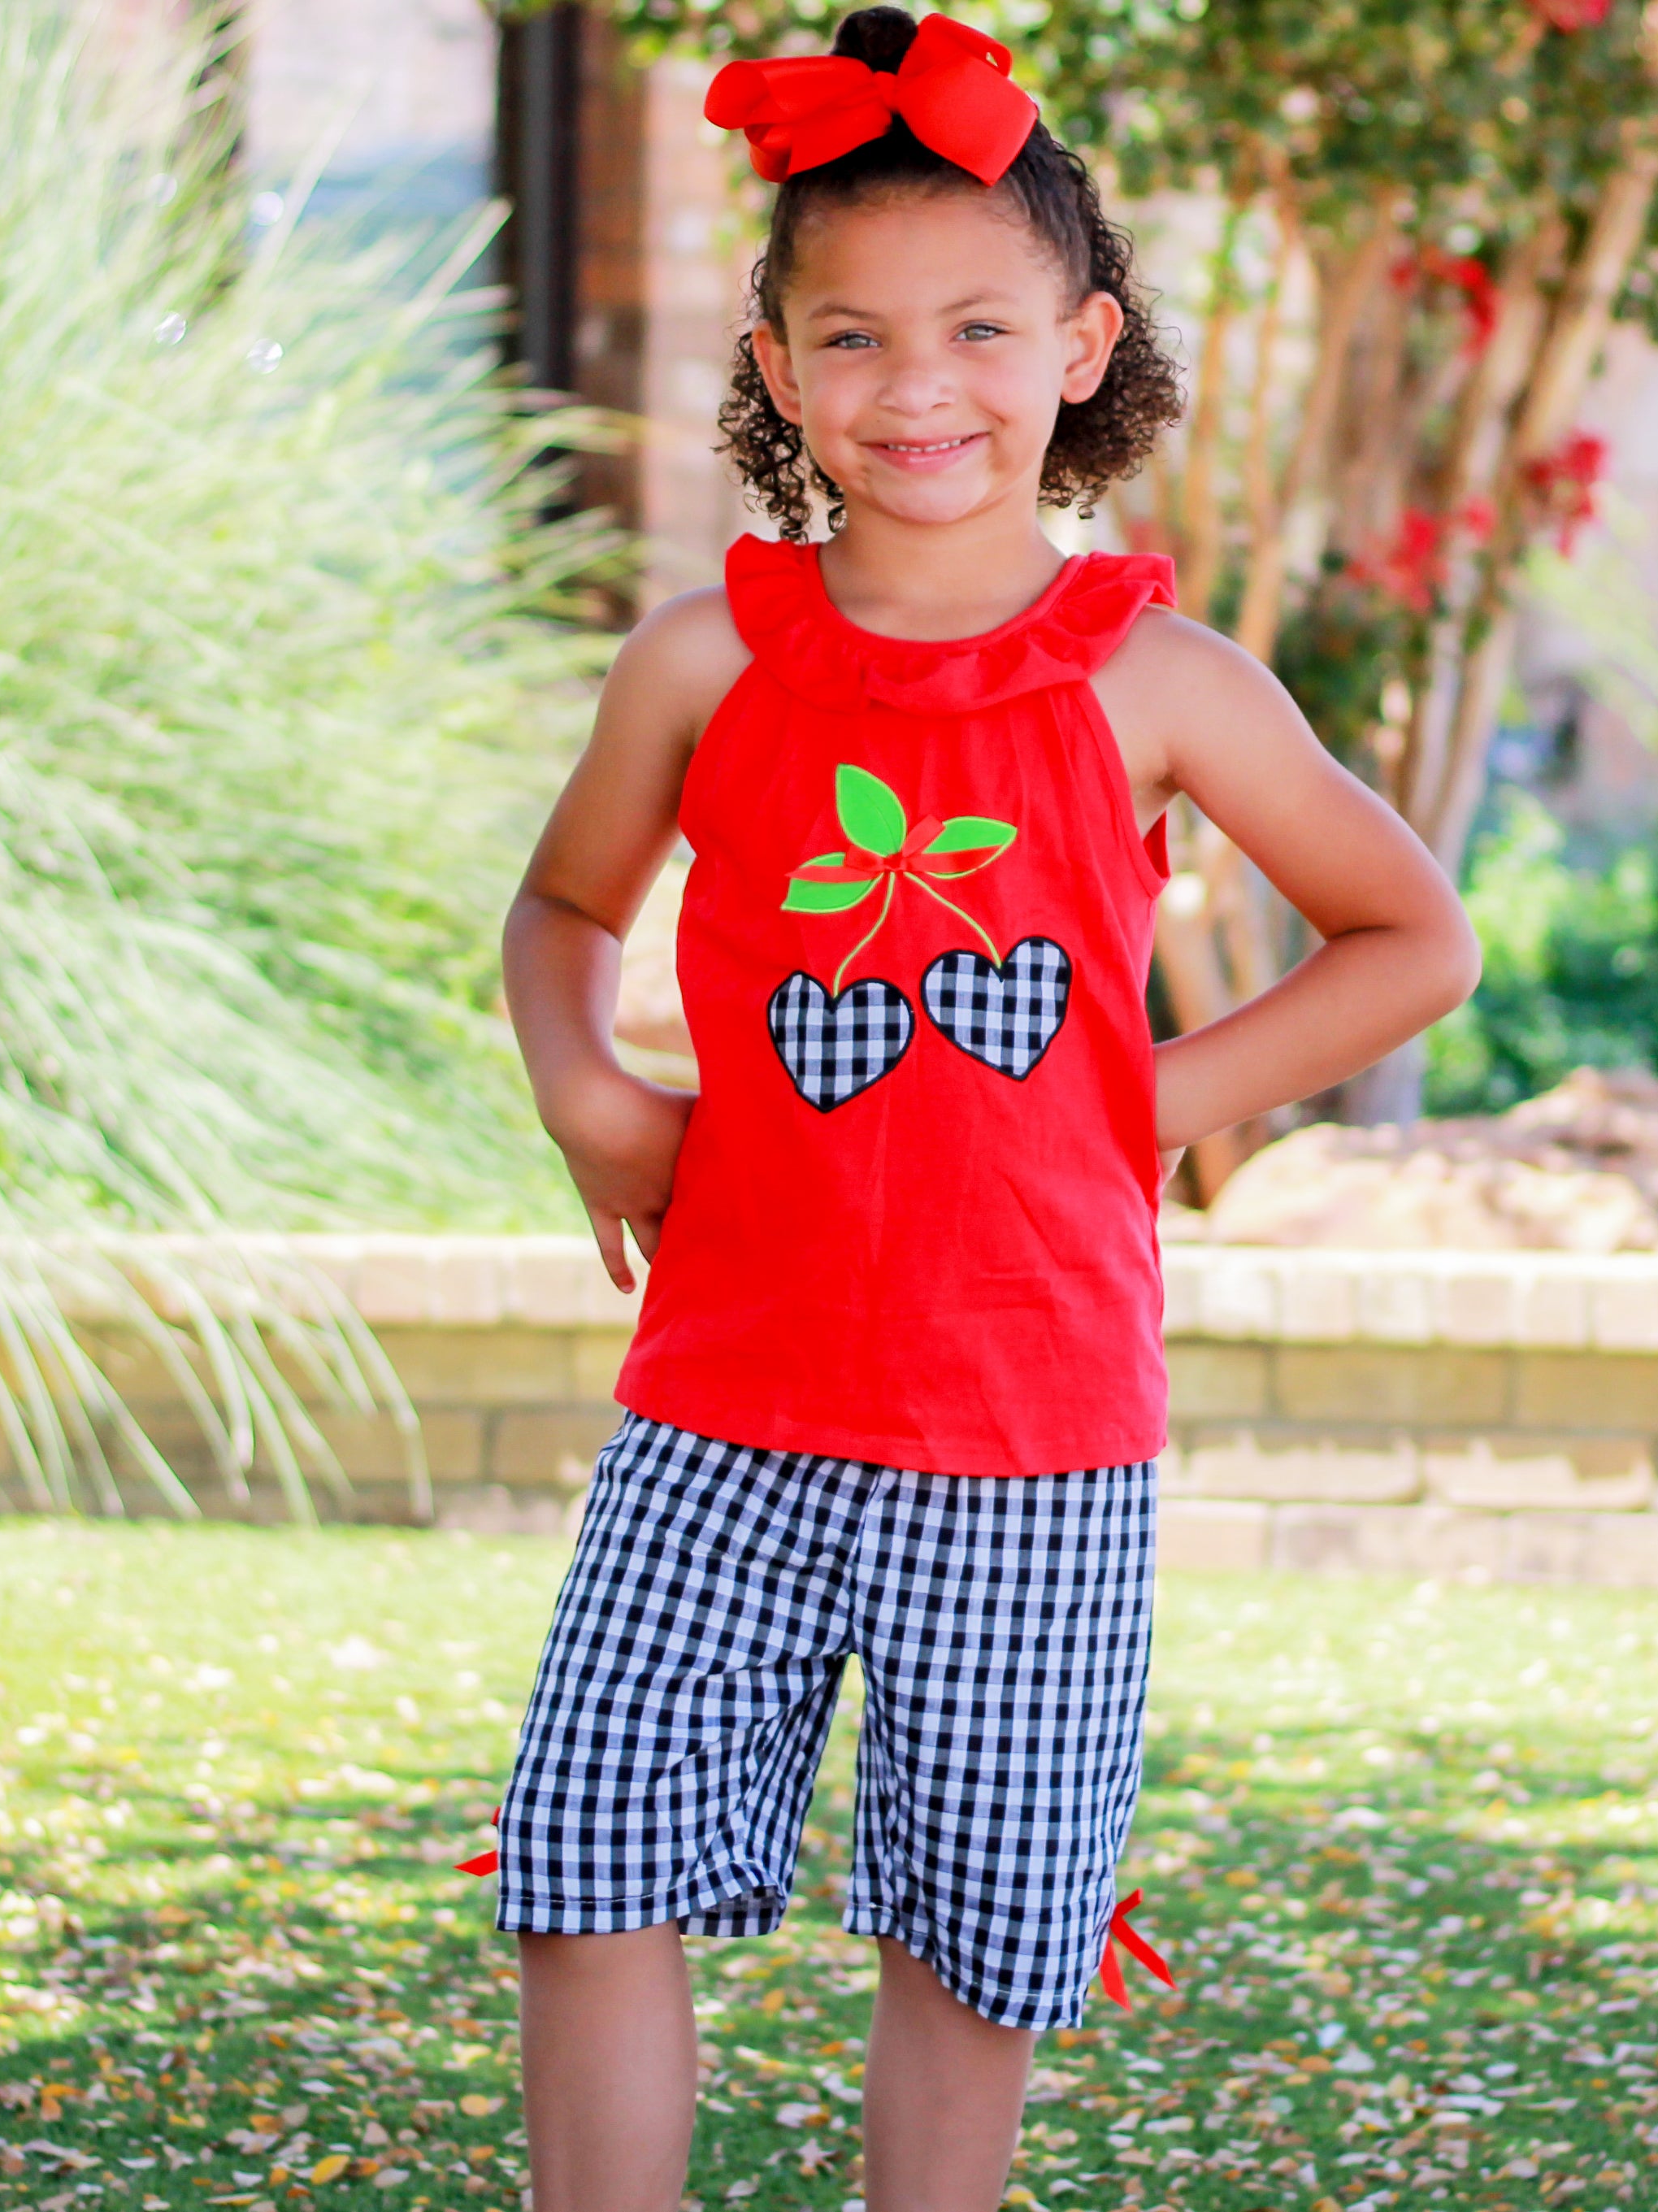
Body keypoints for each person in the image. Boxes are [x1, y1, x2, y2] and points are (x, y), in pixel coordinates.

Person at [497, 11, 1480, 2207]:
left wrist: (1132, 1111)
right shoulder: (703, 661)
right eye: (847, 335)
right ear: (769, 362)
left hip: (1026, 1426)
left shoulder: (1159, 677)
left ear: (1077, 346)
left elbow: (1407, 933)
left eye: (972, 328)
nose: (910, 384)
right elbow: (564, 903)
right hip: (723, 1396)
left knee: (968, 1932)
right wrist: (590, 1090)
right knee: (585, 1857)